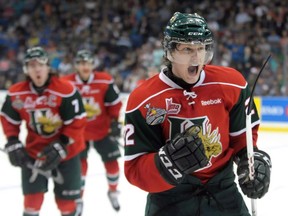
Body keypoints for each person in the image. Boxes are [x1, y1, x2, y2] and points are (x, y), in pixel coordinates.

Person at [124, 12, 272, 216]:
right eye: (187, 49)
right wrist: (168, 163)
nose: (196, 57)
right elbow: (134, 169)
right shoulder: (144, 99)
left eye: (201, 48)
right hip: (170, 200)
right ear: (170, 51)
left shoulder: (232, 84)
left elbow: (243, 141)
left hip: (223, 195)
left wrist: (253, 160)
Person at [0, 46, 87, 216]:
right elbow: (9, 119)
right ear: (26, 69)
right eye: (32, 65)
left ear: (48, 67)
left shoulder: (66, 90)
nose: (37, 69)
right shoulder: (17, 94)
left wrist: (62, 143)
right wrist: (12, 141)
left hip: (67, 153)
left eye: (40, 64)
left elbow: (77, 121)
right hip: (35, 153)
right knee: (32, 203)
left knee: (66, 205)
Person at [62, 49, 122, 211]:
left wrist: (116, 122)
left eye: (88, 63)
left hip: (103, 130)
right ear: (76, 66)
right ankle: (78, 199)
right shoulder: (66, 83)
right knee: (80, 168)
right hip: (78, 133)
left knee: (113, 165)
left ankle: (113, 191)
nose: (85, 66)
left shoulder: (104, 81)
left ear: (92, 64)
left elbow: (114, 104)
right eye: (81, 63)